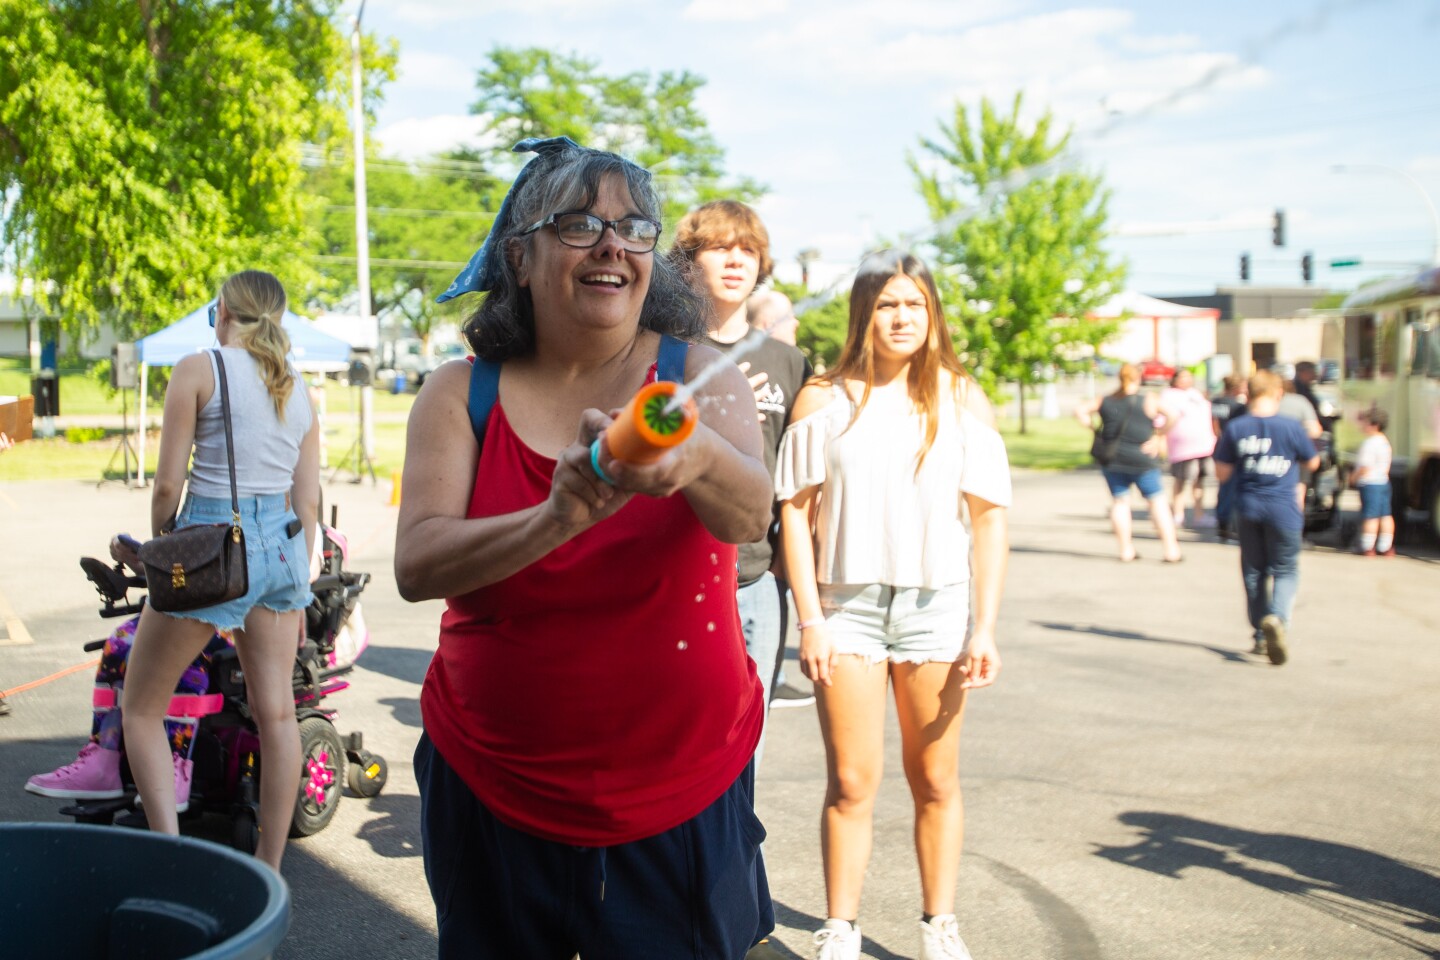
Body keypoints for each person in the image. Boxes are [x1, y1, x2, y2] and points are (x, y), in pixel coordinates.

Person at [399, 137, 774, 960]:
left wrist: (699, 459)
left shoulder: (704, 377)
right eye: (578, 224)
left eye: (634, 228)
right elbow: (418, 566)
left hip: (683, 788)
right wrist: (556, 517)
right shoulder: (460, 392)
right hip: (491, 783)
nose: (612, 245)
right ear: (520, 258)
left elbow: (751, 522)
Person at [776, 250, 1010, 960]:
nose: (901, 317)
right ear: (863, 314)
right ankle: (839, 927)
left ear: (931, 311)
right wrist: (811, 618)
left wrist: (985, 627)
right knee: (852, 781)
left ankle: (940, 924)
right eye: (886, 304)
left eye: (913, 303)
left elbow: (991, 518)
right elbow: (793, 511)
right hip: (846, 609)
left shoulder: (962, 398)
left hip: (937, 609)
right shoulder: (824, 396)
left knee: (935, 778)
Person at [121, 270, 319, 871]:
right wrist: (301, 591)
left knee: (141, 707)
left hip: (212, 545)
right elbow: (305, 504)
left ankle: (171, 857)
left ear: (224, 312)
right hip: (282, 551)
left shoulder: (198, 368)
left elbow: (166, 485)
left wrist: (163, 544)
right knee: (277, 713)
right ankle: (269, 868)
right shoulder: (298, 386)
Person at [668, 201, 813, 747]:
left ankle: (737, 836)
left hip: (756, 578)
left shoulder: (787, 362)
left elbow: (806, 474)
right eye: (719, 247)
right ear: (688, 262)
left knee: (747, 738)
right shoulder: (660, 351)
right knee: (681, 739)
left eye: (748, 250)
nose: (736, 260)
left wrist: (788, 565)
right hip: (676, 574)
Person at [1213, 370, 1319, 665]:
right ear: (1278, 394)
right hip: (1284, 507)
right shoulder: (1291, 427)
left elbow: (1222, 472)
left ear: (1248, 394)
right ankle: (1278, 620)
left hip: (1249, 507)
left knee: (1254, 571)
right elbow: (1313, 460)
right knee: (1285, 569)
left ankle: (1261, 633)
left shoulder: (1236, 427)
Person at [1074, 364, 1183, 563]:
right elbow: (1173, 415)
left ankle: (1125, 550)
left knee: (1120, 501)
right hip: (1143, 458)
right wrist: (1159, 436)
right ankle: (1171, 550)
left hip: (1113, 459)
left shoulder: (1105, 400)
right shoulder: (1149, 400)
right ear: (1138, 378)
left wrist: (1093, 429)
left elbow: (1080, 411)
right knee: (1157, 501)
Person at [1158, 369, 1217, 529]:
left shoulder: (1196, 394)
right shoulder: (1168, 395)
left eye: (1188, 377)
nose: (1186, 380)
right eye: (1182, 377)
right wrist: (1161, 439)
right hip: (1182, 448)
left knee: (1200, 479)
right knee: (1181, 480)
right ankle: (1178, 513)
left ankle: (1199, 513)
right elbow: (1160, 422)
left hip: (1204, 445)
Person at [1351, 405, 1395, 556]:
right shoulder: (1385, 442)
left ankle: (1367, 546)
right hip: (1383, 481)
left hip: (1370, 483)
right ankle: (1385, 546)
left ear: (1374, 425)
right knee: (1386, 515)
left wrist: (1353, 477)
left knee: (1370, 516)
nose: (1362, 426)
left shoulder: (1370, 443)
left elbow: (1365, 466)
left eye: (1365, 423)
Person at [1210, 374, 1248, 541]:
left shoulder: (1216, 402)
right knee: (1234, 487)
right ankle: (1230, 523)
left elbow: (1215, 424)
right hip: (1235, 447)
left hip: (1220, 443)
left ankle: (1222, 520)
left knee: (1224, 486)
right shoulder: (1239, 406)